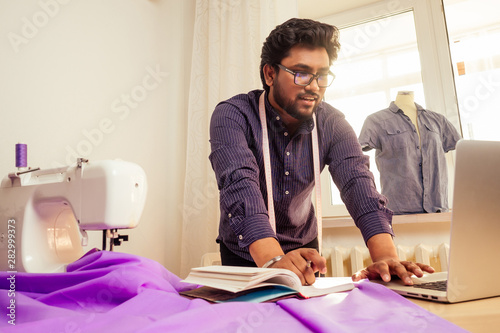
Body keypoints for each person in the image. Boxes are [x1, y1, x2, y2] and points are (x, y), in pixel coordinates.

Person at [209, 18, 434, 286]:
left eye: (322, 75)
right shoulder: (233, 116)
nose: (314, 86)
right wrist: (272, 261)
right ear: (270, 74)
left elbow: (358, 184)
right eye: (301, 73)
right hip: (247, 254)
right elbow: (239, 185)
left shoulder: (332, 122)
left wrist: (385, 256)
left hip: (304, 251)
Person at [359, 91, 462, 214]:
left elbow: (462, 148)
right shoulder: (376, 121)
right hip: (398, 211)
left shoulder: (438, 120)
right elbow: (357, 159)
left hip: (438, 209)